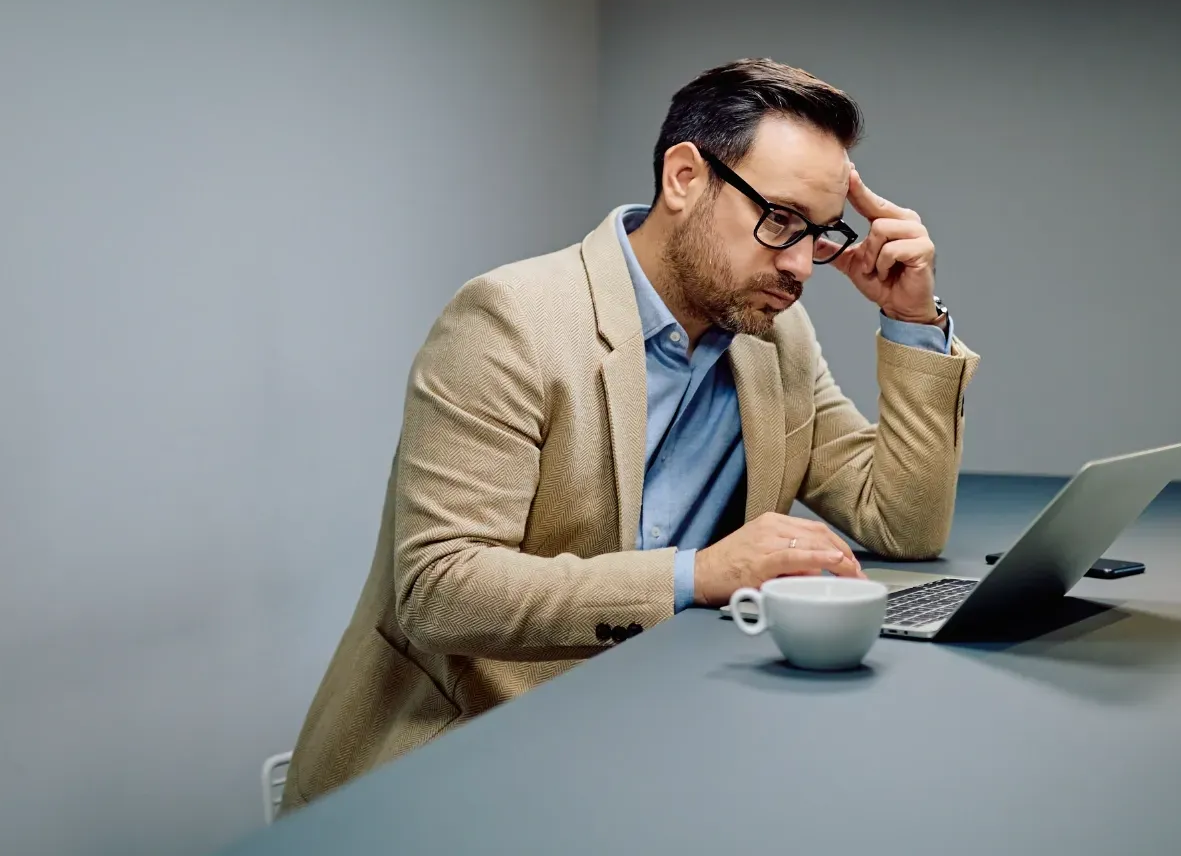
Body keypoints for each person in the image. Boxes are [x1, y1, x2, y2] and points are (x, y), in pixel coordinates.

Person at [282, 58, 979, 809]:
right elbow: (440, 589)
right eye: (779, 221)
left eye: (820, 233)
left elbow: (903, 524)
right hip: (460, 764)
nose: (802, 264)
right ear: (684, 178)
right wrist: (697, 576)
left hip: (659, 742)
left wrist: (911, 320)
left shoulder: (776, 337)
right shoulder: (508, 321)